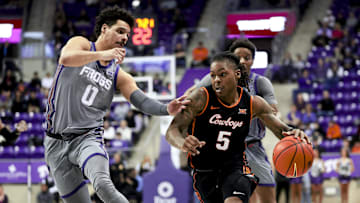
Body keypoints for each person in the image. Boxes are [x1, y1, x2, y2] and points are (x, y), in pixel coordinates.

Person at [44, 6, 189, 203]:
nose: (124, 38)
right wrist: (102, 55)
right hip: (55, 142)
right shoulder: (81, 44)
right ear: (104, 29)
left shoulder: (119, 75)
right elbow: (66, 58)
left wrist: (165, 109)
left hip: (87, 139)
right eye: (120, 31)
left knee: (103, 184)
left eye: (127, 35)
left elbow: (140, 100)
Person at [166, 52, 310, 203]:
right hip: (205, 172)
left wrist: (293, 133)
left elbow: (281, 130)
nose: (216, 80)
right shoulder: (201, 97)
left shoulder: (253, 103)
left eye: (222, 75)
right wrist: (182, 143)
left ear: (236, 74)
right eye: (213, 75)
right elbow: (173, 130)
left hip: (235, 169)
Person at [186, 38, 280, 203]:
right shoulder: (215, 80)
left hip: (252, 144)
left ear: (253, 60)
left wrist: (252, 112)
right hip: (223, 149)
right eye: (239, 57)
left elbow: (272, 112)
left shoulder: (261, 82)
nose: (243, 61)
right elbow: (190, 95)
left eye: (247, 57)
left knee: (268, 195)